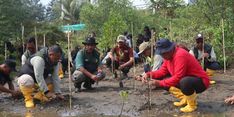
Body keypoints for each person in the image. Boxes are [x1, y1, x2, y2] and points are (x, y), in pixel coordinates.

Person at [139, 39, 210, 113]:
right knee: (165, 80)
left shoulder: (180, 55)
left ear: (169, 50)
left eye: (163, 54)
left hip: (201, 81)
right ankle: (185, 98)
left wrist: (159, 83)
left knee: (184, 82)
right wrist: (148, 74)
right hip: (188, 78)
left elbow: (178, 77)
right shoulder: (168, 57)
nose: (162, 56)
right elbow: (162, 71)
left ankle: (192, 104)